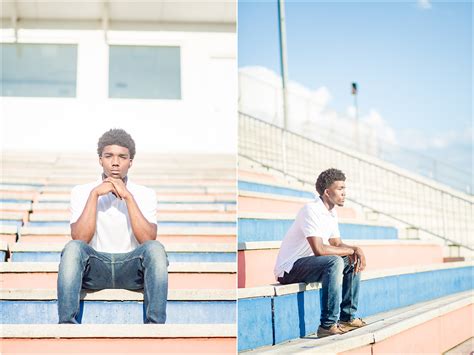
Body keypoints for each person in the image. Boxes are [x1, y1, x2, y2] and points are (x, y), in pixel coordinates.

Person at [57, 128, 168, 324]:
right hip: (95, 268)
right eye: (109, 156)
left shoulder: (145, 194)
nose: (115, 162)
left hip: (132, 269)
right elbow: (80, 239)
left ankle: (155, 327)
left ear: (130, 162)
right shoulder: (81, 191)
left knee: (156, 249)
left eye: (122, 157)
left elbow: (148, 240)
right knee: (72, 248)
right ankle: (67, 326)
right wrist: (94, 196)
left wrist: (128, 197)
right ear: (100, 159)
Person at [274, 168, 367, 337]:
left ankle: (347, 318)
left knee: (351, 259)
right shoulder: (311, 210)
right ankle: (327, 325)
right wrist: (352, 250)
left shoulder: (331, 213)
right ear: (327, 192)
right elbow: (320, 249)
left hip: (310, 264)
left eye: (344, 188)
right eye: (340, 189)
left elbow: (336, 243)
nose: (344, 193)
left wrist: (355, 250)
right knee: (335, 261)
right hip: (289, 269)